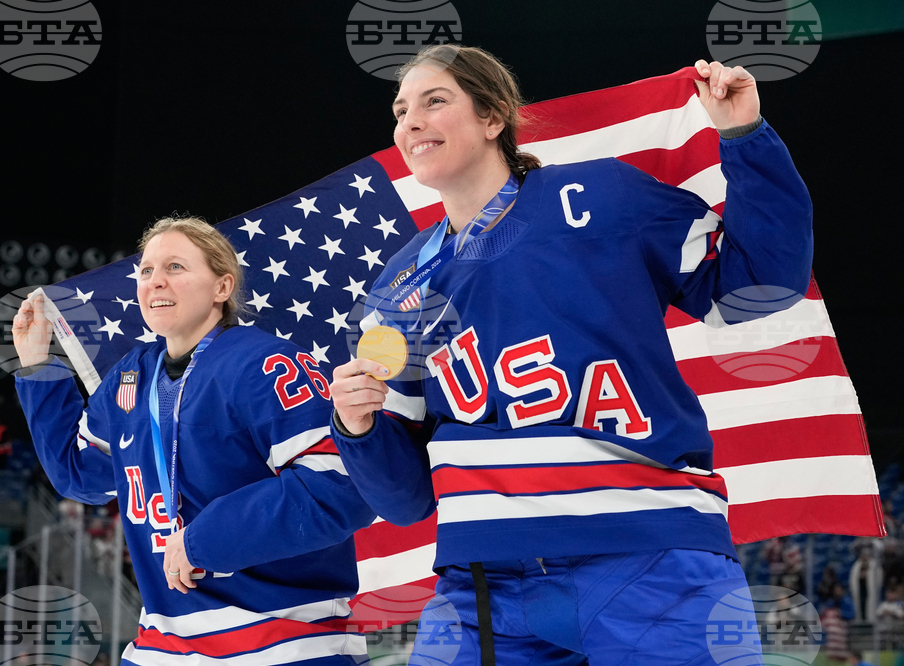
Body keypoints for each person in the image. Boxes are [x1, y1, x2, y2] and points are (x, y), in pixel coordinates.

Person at [330, 44, 812, 664]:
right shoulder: (395, 292)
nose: (411, 122)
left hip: (647, 555)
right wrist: (357, 427)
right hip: (482, 590)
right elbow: (403, 502)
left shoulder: (603, 195)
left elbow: (757, 288)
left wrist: (744, 135)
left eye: (434, 101)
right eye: (400, 110)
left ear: (493, 117)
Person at [13, 216, 376, 664]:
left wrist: (203, 540)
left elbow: (340, 488)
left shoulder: (266, 364)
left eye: (175, 267)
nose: (155, 281)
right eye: (146, 271)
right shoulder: (131, 376)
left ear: (222, 287)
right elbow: (77, 475)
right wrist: (38, 370)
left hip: (283, 638)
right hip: (162, 643)